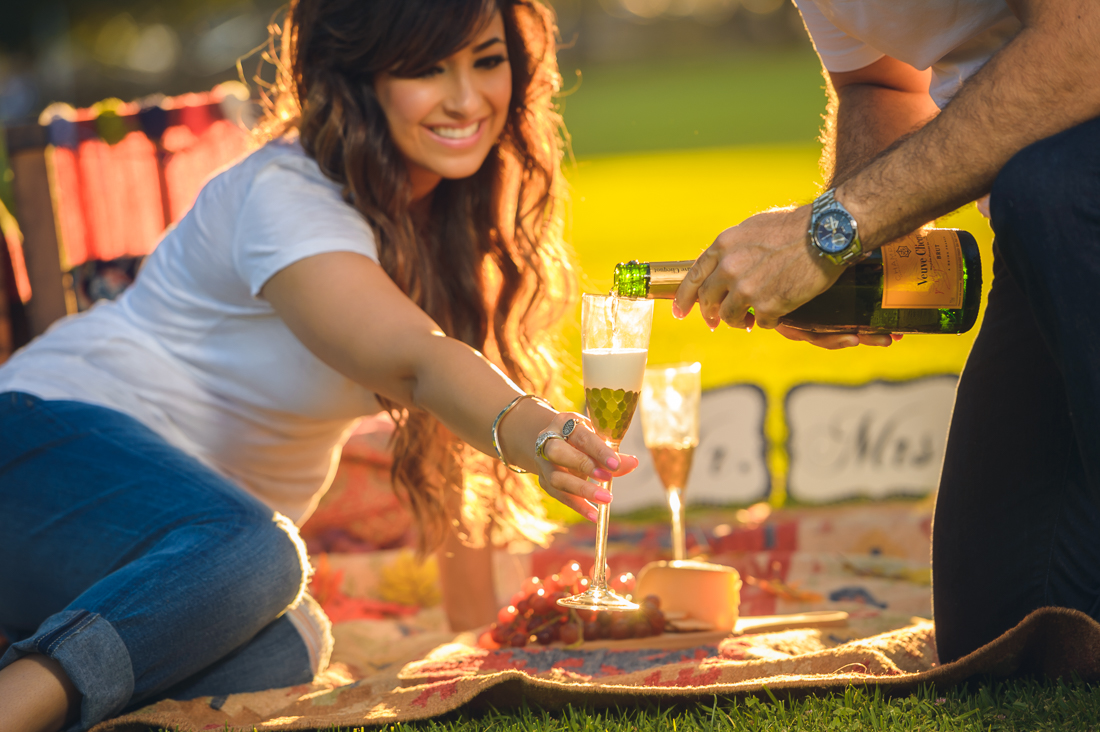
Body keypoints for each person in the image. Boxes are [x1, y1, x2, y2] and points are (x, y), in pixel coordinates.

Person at [0, 1, 638, 730]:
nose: (467, 99)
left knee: (287, 645)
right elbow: (418, 364)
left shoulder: (449, 221)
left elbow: (454, 434)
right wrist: (539, 429)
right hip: (36, 445)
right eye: (426, 68)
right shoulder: (284, 195)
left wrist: (490, 642)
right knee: (264, 554)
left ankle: (42, 677)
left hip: (169, 569)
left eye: (486, 61)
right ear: (359, 78)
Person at [672, 0, 1100, 665]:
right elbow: (882, 82)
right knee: (1005, 631)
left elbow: (1086, 41)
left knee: (1045, 186)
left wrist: (832, 228)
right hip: (1046, 227)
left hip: (1069, 189)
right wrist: (852, 263)